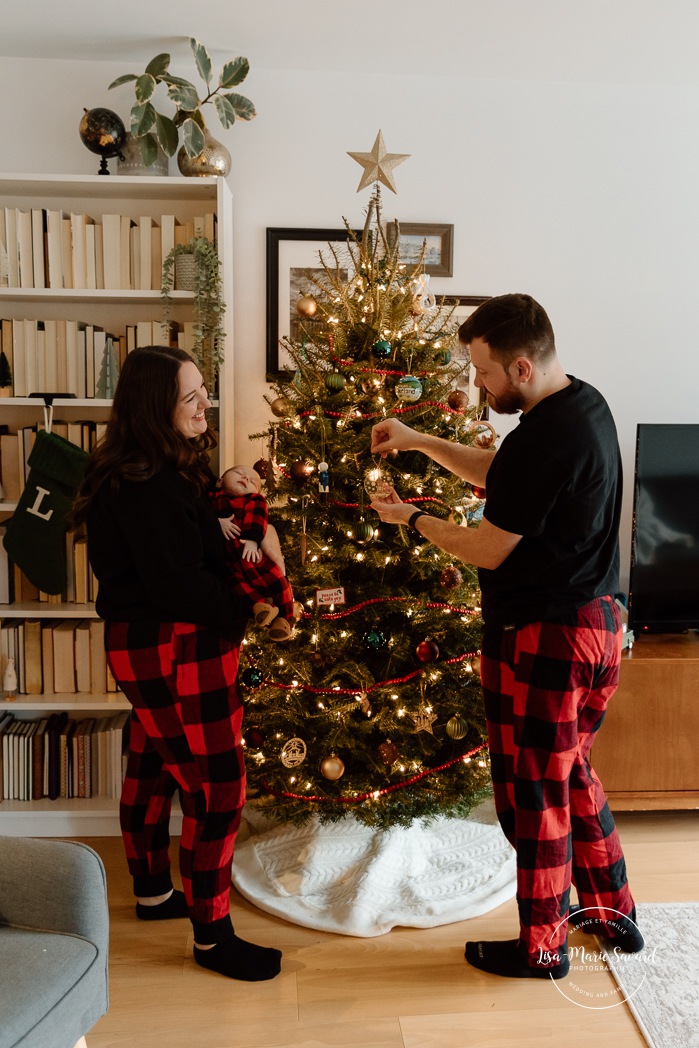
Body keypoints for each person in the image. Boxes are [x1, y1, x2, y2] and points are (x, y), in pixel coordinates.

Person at [370, 293, 642, 980]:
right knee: (571, 774)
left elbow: (488, 548)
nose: (477, 385)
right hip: (597, 624)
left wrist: (412, 520)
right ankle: (614, 914)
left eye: (483, 373)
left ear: (520, 367)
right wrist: (421, 441)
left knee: (535, 792)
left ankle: (542, 949)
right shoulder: (582, 404)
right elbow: (505, 478)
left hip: (548, 634)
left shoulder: (545, 435)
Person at [72, 346, 282, 982]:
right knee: (218, 791)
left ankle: (152, 891)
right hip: (177, 645)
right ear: (154, 406)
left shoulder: (155, 469)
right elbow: (182, 586)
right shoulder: (149, 484)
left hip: (147, 643)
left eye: (203, 393)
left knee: (154, 759)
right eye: (190, 397)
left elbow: (186, 555)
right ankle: (213, 937)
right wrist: (250, 608)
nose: (204, 406)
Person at [211, 464, 298, 641]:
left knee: (278, 582)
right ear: (220, 482)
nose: (245, 479)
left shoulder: (253, 500)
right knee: (239, 587)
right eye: (238, 474)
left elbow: (258, 518)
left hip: (255, 557)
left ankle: (286, 620)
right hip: (233, 562)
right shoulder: (214, 498)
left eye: (252, 481)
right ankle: (261, 607)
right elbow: (205, 514)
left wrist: (252, 539)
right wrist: (217, 521)